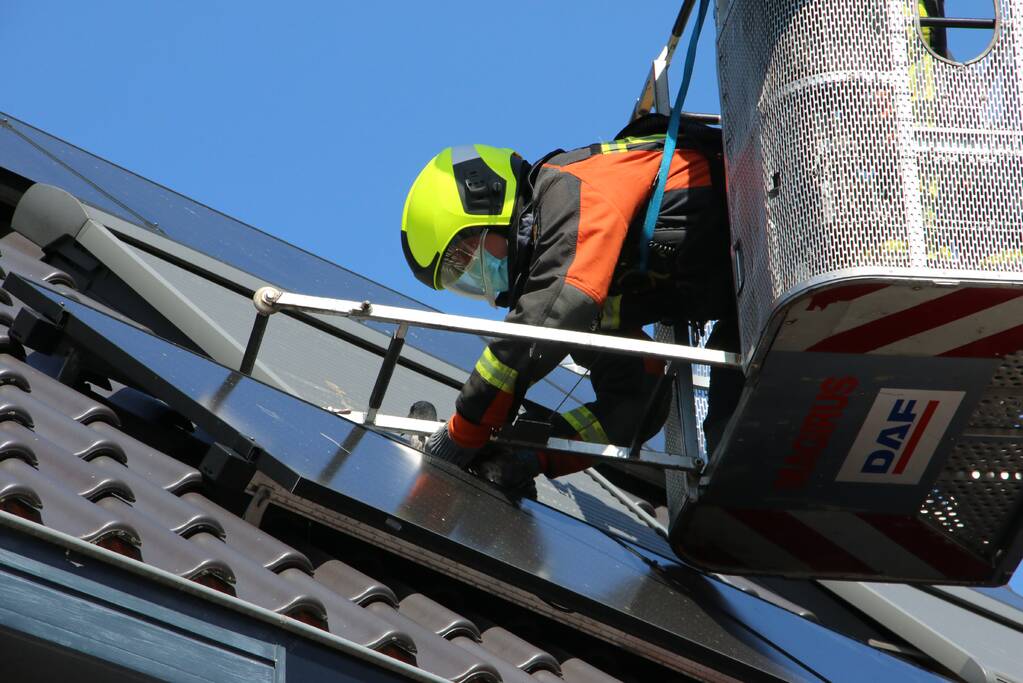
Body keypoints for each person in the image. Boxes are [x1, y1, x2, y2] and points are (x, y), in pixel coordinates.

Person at [400, 115, 739, 490]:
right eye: (461, 279)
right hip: (748, 303)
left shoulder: (568, 188)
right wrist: (527, 456)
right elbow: (637, 400)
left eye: (465, 259)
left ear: (489, 197)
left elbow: (554, 312)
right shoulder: (579, 284)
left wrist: (460, 435)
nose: (480, 279)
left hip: (768, 215)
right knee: (735, 455)